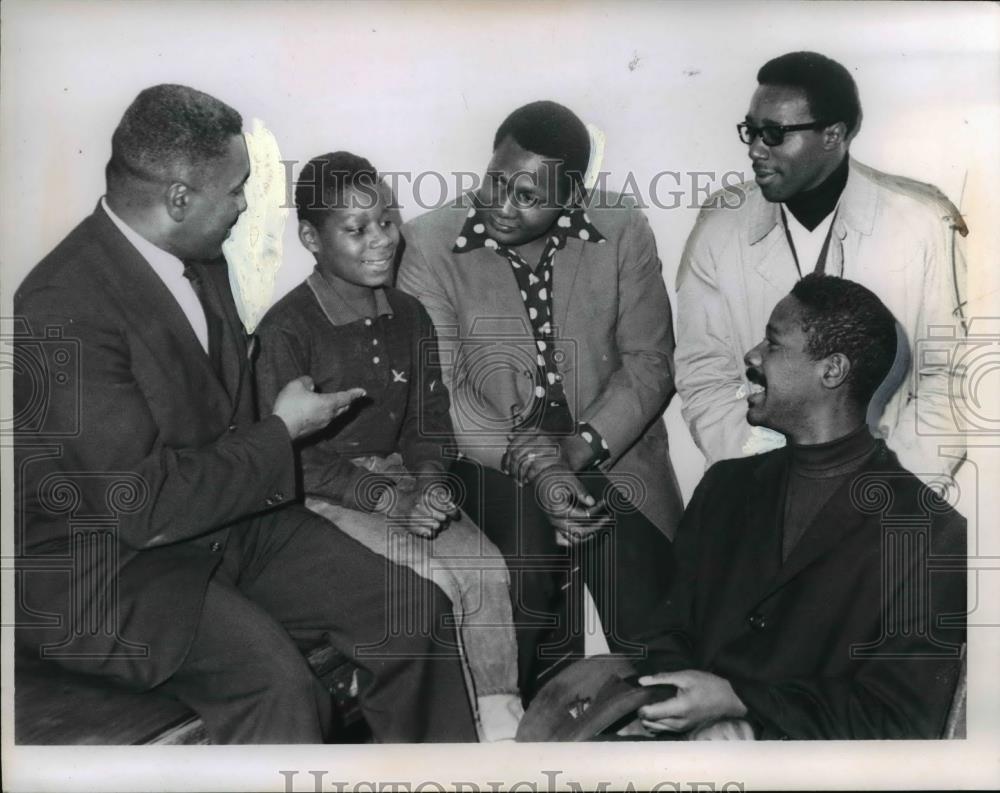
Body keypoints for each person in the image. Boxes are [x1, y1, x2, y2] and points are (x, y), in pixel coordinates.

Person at [13, 84, 477, 744]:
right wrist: (284, 431)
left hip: (226, 520)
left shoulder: (202, 261)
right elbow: (139, 505)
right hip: (111, 571)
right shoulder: (61, 302)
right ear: (178, 198)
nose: (244, 205)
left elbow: (222, 429)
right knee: (278, 689)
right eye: (236, 189)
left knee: (414, 615)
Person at [397, 100, 681, 699]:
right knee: (526, 574)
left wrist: (576, 452)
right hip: (491, 455)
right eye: (495, 182)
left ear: (572, 196)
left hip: (609, 447)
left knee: (656, 621)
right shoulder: (426, 243)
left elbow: (650, 363)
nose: (502, 206)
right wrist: (542, 469)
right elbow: (444, 392)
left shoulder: (622, 226)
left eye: (528, 196)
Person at [254, 151, 523, 741]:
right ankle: (449, 738)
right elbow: (290, 459)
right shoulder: (287, 331)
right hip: (324, 498)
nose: (381, 240)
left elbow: (426, 419)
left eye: (386, 221)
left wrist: (428, 482)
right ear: (311, 238)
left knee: (485, 568)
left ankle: (502, 726)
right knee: (434, 586)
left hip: (404, 481)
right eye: (356, 229)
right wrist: (387, 499)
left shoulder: (410, 314)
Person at [636, 274, 966, 740]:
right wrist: (685, 709)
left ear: (831, 371)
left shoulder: (932, 533)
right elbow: (665, 633)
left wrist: (742, 707)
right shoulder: (723, 487)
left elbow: (899, 719)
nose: (751, 356)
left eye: (772, 343)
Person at [675, 50, 968, 484]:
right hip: (758, 490)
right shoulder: (718, 230)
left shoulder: (922, 223)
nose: (755, 150)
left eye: (774, 133)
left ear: (834, 135)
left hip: (889, 493)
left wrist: (894, 486)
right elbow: (704, 373)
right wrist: (769, 477)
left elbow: (950, 373)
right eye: (751, 131)